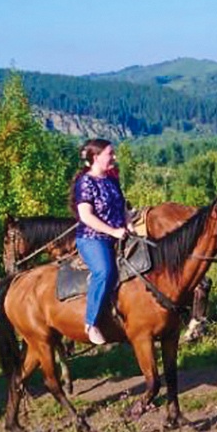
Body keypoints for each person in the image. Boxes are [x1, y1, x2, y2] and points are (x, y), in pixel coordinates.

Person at [71, 138, 128, 345]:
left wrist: (128, 223)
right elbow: (86, 216)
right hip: (93, 238)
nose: (114, 157)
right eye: (110, 154)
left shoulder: (112, 179)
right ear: (96, 157)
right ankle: (91, 323)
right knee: (104, 271)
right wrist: (113, 231)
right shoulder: (85, 182)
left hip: (119, 233)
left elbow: (122, 207)